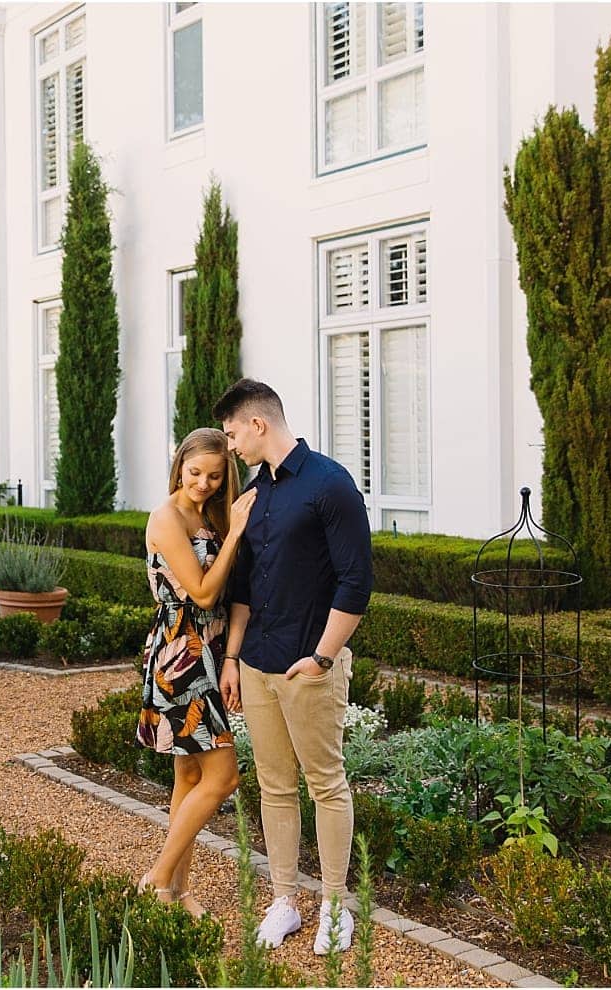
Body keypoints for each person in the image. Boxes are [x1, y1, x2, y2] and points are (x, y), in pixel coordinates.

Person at [213, 379, 372, 954]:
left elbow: (356, 581)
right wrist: (233, 660)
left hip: (309, 667)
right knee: (275, 786)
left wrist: (322, 657)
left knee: (325, 783)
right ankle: (285, 901)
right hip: (257, 666)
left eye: (234, 434)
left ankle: (334, 906)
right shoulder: (255, 494)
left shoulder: (330, 484)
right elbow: (244, 588)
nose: (232, 446)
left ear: (258, 424)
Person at [135, 427, 258, 919]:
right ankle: (157, 877)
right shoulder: (166, 517)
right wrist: (237, 533)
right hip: (181, 653)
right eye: (195, 472)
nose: (203, 483)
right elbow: (204, 594)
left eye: (214, 476)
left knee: (188, 775)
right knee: (223, 777)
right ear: (179, 466)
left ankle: (177, 890)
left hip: (209, 647)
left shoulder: (209, 515)